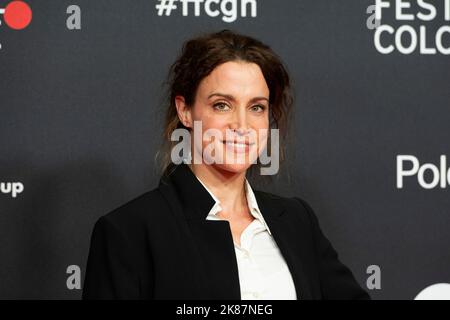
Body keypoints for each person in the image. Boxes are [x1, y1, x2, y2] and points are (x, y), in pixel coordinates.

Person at [82, 29, 370, 300]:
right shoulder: (129, 231)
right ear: (185, 110)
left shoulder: (297, 221)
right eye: (222, 105)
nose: (242, 125)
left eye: (256, 107)